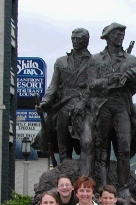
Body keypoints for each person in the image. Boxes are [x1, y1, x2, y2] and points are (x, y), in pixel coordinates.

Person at [86, 22, 136, 201]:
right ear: (107, 37)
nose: (120, 37)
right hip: (102, 107)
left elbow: (133, 90)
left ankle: (123, 188)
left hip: (122, 106)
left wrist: (132, 79)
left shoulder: (130, 60)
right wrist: (112, 80)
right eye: (116, 34)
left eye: (122, 34)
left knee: (124, 148)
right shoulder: (96, 60)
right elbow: (91, 86)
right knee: (102, 151)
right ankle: (102, 188)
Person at [34, 28, 91, 164]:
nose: (75, 42)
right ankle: (65, 159)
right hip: (64, 101)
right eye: (73, 39)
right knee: (61, 122)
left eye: (79, 39)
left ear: (86, 41)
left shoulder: (93, 61)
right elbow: (53, 85)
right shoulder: (61, 62)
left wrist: (84, 101)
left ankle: (87, 157)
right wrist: (45, 102)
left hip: (84, 100)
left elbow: (93, 85)